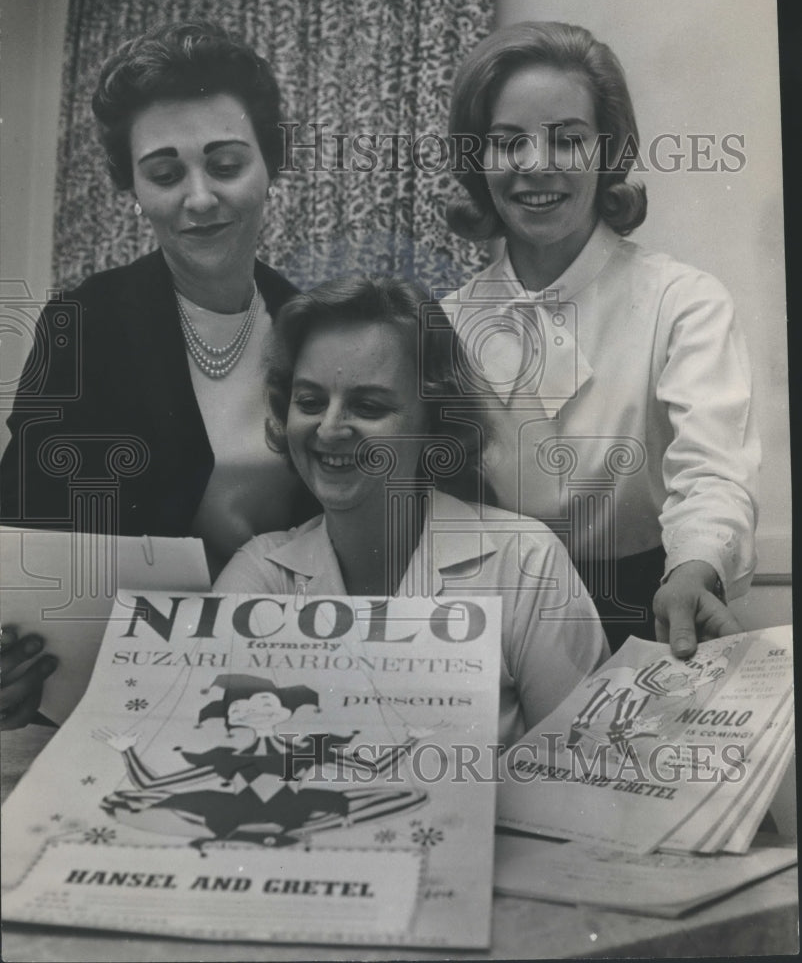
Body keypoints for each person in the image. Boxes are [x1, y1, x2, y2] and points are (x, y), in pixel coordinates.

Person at [0, 21, 314, 728]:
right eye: (166, 173)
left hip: (284, 685)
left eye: (227, 164)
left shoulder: (312, 324)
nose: (199, 198)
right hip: (119, 693)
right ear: (133, 188)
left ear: (270, 165)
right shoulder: (83, 325)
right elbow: (26, 538)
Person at [441, 21, 759, 659]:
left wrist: (694, 566)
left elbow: (712, 472)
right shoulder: (446, 322)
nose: (537, 165)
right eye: (508, 143)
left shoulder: (682, 301)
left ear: (608, 150)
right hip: (488, 633)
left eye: (568, 140)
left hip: (652, 616)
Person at [215, 276, 608, 747]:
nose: (330, 428)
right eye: (311, 402)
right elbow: (216, 748)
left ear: (433, 422)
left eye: (368, 405)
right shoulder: (262, 573)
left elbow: (585, 768)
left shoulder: (526, 563)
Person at [95, 673, 429, 852]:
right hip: (234, 810)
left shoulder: (306, 750)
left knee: (409, 795)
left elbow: (374, 771)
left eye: (264, 703)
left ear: (285, 712)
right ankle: (251, 832)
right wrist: (126, 750)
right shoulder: (229, 758)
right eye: (240, 708)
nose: (252, 710)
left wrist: (412, 739)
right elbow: (152, 785)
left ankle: (282, 830)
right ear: (232, 717)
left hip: (293, 810)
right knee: (122, 801)